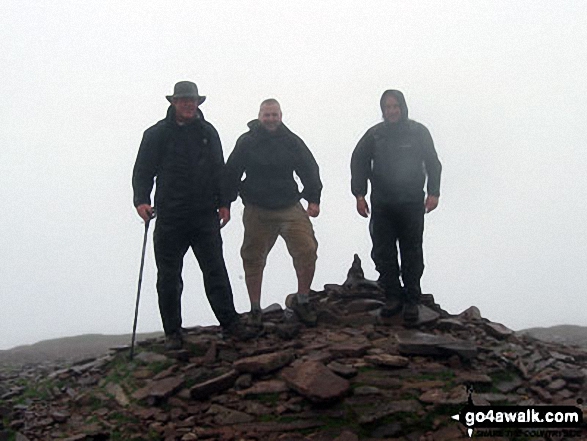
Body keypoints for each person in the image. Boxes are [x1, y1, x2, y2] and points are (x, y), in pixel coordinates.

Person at [132, 81, 252, 349]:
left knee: (215, 271)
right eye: (182, 100)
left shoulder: (208, 132)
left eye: (192, 100)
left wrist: (225, 203)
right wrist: (141, 201)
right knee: (169, 277)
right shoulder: (156, 134)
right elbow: (143, 171)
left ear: (198, 102)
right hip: (170, 216)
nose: (188, 104)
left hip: (204, 216)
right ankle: (173, 332)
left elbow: (219, 170)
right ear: (173, 102)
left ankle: (230, 323)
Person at [224, 98, 323, 326]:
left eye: (274, 115)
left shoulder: (291, 141)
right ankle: (255, 309)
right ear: (259, 116)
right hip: (257, 209)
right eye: (266, 115)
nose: (270, 119)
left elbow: (309, 168)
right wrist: (226, 204)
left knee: (307, 249)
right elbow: (231, 172)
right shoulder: (247, 142)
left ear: (281, 116)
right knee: (252, 258)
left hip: (289, 206)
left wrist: (313, 199)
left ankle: (303, 300)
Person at [351, 90, 442, 323]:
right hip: (382, 204)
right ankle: (393, 296)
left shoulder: (418, 132)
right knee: (383, 251)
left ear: (403, 107)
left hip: (412, 203)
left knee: (412, 251)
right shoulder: (375, 135)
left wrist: (434, 192)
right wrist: (359, 194)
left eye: (395, 106)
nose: (391, 111)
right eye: (387, 107)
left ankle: (412, 298)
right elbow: (358, 160)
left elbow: (433, 162)